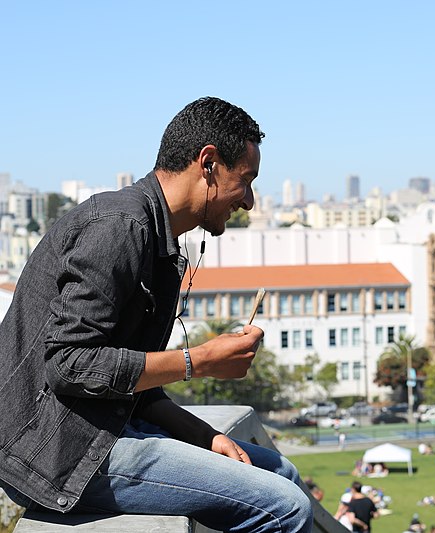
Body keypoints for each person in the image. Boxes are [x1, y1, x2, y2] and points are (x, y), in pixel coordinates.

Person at [0, 97, 313, 532]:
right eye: (245, 181)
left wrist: (207, 437)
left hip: (105, 427)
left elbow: (139, 391)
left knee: (281, 473)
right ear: (208, 163)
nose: (250, 201)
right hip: (58, 451)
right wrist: (198, 361)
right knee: (285, 507)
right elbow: (68, 365)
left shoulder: (160, 242)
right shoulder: (120, 227)